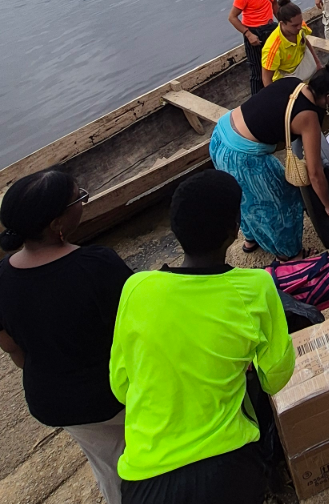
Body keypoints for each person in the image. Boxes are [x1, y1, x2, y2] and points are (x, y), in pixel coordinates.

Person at [110, 170, 295, 504]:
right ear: (234, 230)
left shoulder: (136, 289)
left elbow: (121, 387)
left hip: (145, 481)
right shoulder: (256, 288)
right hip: (226, 469)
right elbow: (275, 378)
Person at [0, 169, 133, 504]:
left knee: (109, 465)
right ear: (56, 223)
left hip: (53, 400)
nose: (83, 202)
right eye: (79, 199)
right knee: (146, 456)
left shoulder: (1, 277)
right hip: (113, 394)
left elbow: (12, 349)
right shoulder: (97, 265)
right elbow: (140, 325)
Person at [208, 60, 329, 258]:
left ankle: (250, 238)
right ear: (328, 97)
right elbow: (315, 174)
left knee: (244, 192)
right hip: (240, 156)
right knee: (283, 200)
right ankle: (289, 254)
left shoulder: (293, 82)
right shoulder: (308, 116)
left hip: (220, 134)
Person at [229, 0, 280, 96]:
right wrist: (248, 34)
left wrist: (282, 22)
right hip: (253, 31)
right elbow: (232, 17)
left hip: (269, 28)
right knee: (257, 72)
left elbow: (274, 4)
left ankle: (274, 95)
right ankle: (257, 100)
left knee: (273, 66)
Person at [261, 0, 321, 87]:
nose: (299, 27)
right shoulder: (272, 48)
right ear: (282, 23)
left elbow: (305, 41)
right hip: (289, 81)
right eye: (294, 25)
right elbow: (266, 79)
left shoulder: (300, 27)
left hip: (308, 72)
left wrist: (318, 63)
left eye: (300, 22)